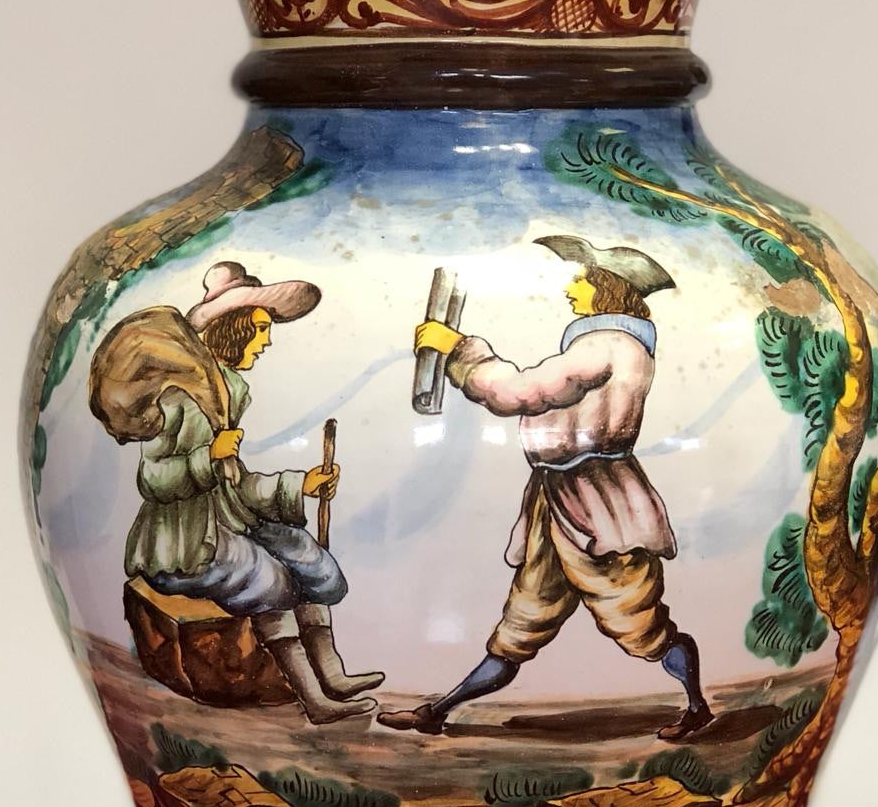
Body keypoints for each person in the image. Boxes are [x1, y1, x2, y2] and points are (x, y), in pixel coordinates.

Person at [378, 235, 712, 739]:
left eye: (582, 281)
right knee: (524, 620)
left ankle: (697, 708)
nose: (571, 289)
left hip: (598, 501)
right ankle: (438, 711)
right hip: (558, 497)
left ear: (606, 288)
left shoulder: (605, 346)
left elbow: (523, 392)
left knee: (637, 618)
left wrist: (461, 352)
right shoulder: (613, 345)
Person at [100, 260, 383, 724]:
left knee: (306, 557)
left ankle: (332, 675)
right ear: (234, 330)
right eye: (260, 330)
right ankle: (314, 699)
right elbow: (153, 479)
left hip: (225, 526)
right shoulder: (178, 400)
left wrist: (300, 485)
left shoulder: (225, 394)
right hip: (183, 547)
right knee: (269, 579)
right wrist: (207, 458)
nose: (265, 341)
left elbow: (237, 484)